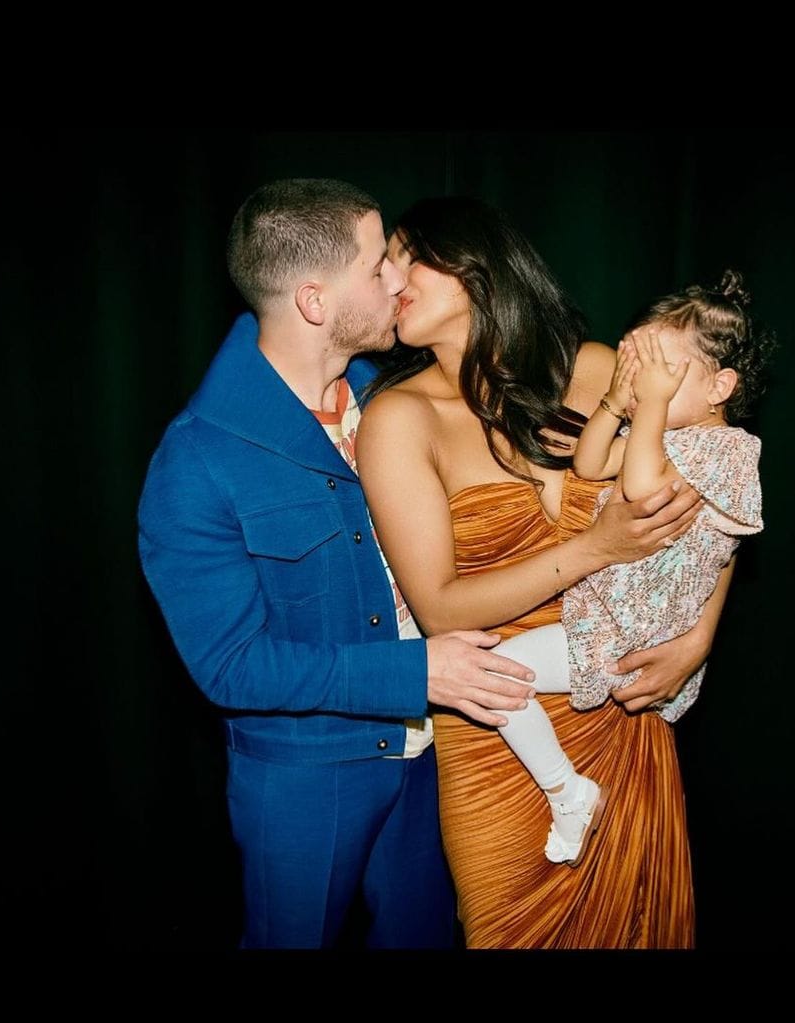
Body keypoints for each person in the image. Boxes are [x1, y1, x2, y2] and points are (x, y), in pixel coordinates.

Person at [137, 178, 544, 950]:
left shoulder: (392, 394)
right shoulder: (197, 460)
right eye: (377, 266)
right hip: (304, 781)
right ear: (317, 302)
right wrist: (412, 673)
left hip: (435, 756)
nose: (399, 279)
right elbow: (231, 666)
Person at [356, 196, 721, 948]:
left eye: (406, 255)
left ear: (476, 266)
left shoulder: (595, 370)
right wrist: (596, 548)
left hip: (624, 710)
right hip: (502, 733)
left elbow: (720, 486)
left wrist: (698, 642)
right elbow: (440, 609)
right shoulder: (401, 419)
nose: (389, 277)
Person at [472, 272, 772, 868]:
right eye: (643, 366)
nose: (648, 384)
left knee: (497, 676)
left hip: (637, 630)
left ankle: (567, 791)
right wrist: (617, 399)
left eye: (665, 369)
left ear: (721, 385)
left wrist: (652, 406)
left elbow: (639, 492)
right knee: (498, 678)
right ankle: (569, 788)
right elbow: (588, 463)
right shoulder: (656, 431)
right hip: (612, 615)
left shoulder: (730, 450)